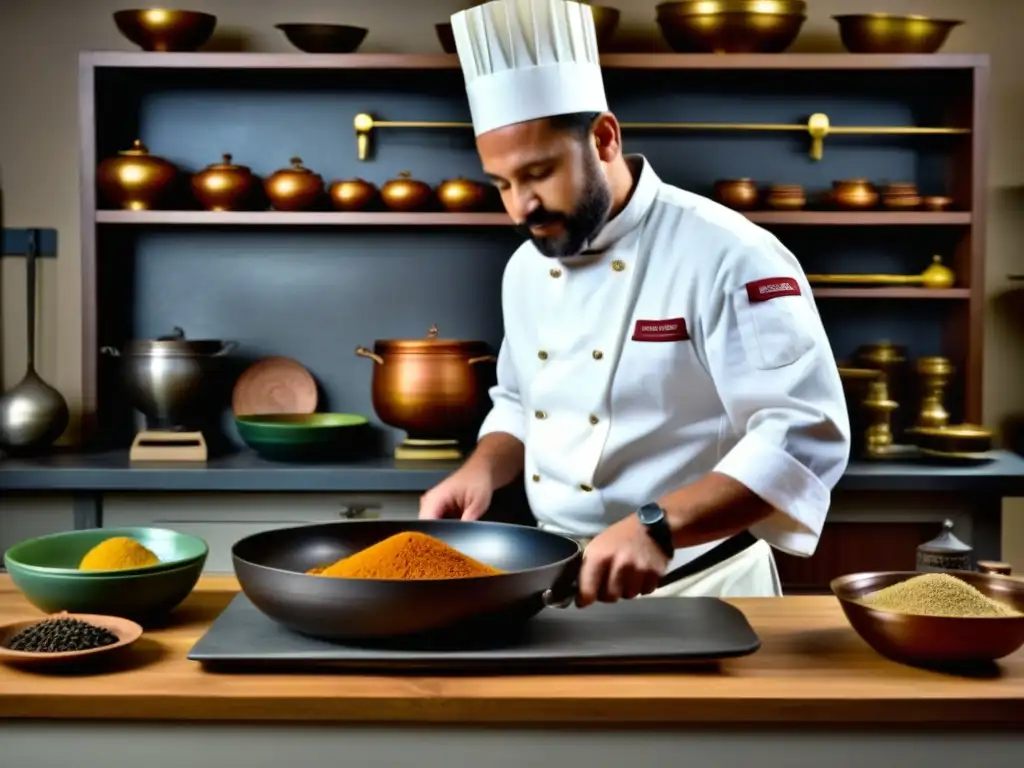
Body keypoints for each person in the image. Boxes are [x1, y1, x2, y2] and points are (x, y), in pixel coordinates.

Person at [419, 0, 851, 605]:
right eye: (503, 184)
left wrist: (659, 525)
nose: (521, 208)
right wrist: (482, 469)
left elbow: (803, 434)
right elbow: (521, 402)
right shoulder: (526, 266)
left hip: (706, 585)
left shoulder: (731, 254)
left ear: (603, 138)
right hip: (565, 582)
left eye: (539, 173)